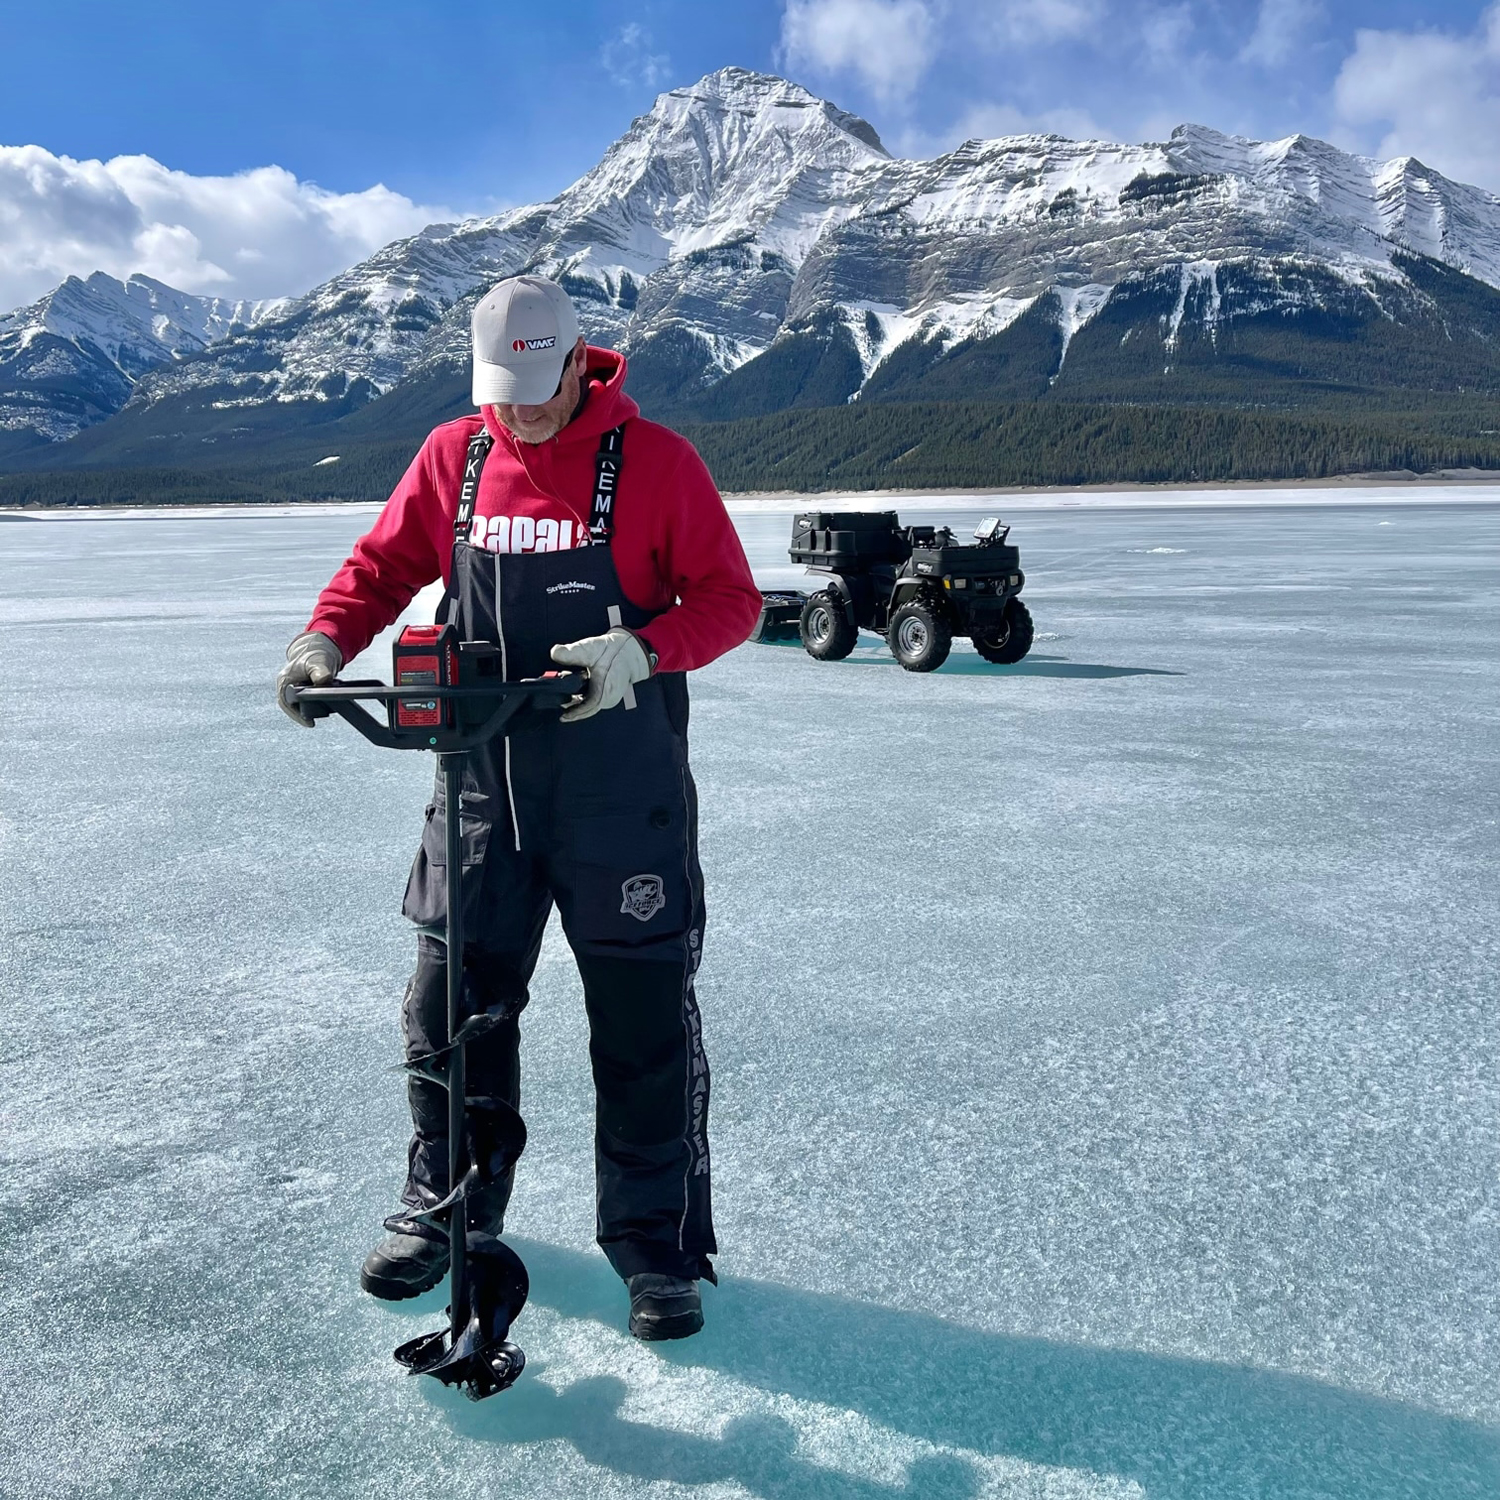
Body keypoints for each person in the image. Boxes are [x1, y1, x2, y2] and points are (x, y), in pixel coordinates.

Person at [276, 275, 760, 1340]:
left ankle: (656, 1249)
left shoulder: (659, 464)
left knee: (640, 1029)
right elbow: (383, 564)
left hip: (619, 796)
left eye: (539, 391)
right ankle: (445, 1207)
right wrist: (322, 641)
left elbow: (733, 601)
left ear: (582, 362)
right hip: (479, 787)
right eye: (505, 391)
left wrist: (643, 648)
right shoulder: (457, 454)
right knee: (448, 1014)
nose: (523, 411)